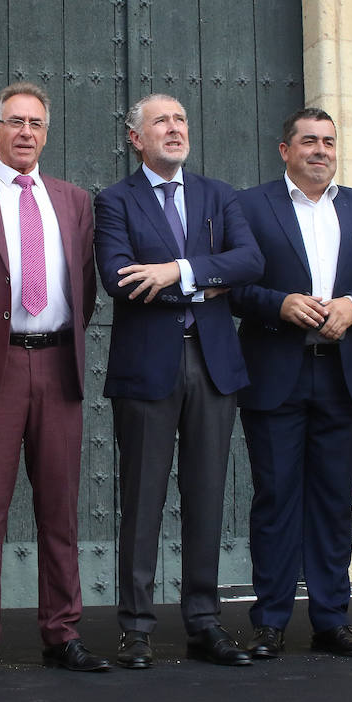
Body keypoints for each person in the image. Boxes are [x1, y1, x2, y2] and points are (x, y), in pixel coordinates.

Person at [0, 83, 106, 677]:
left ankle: (62, 633)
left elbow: (82, 287)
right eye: (15, 122)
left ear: (46, 131)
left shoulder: (74, 200)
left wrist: (54, 336)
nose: (26, 133)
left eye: (36, 123)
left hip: (58, 366)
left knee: (59, 508)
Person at [94, 94, 264, 669]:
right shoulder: (115, 201)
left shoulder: (220, 195)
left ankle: (204, 621)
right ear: (135, 138)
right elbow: (119, 278)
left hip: (214, 364)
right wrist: (204, 280)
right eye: (161, 122)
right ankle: (136, 627)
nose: (175, 129)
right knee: (141, 499)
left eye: (181, 120)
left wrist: (178, 270)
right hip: (147, 366)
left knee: (207, 496)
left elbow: (250, 262)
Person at [230, 108, 352, 659]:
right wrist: (279, 303)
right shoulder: (251, 206)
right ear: (285, 150)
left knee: (333, 501)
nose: (320, 150)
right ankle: (270, 620)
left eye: (328, 141)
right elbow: (233, 285)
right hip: (276, 373)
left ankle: (332, 620)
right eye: (308, 141)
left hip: (342, 374)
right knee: (276, 499)